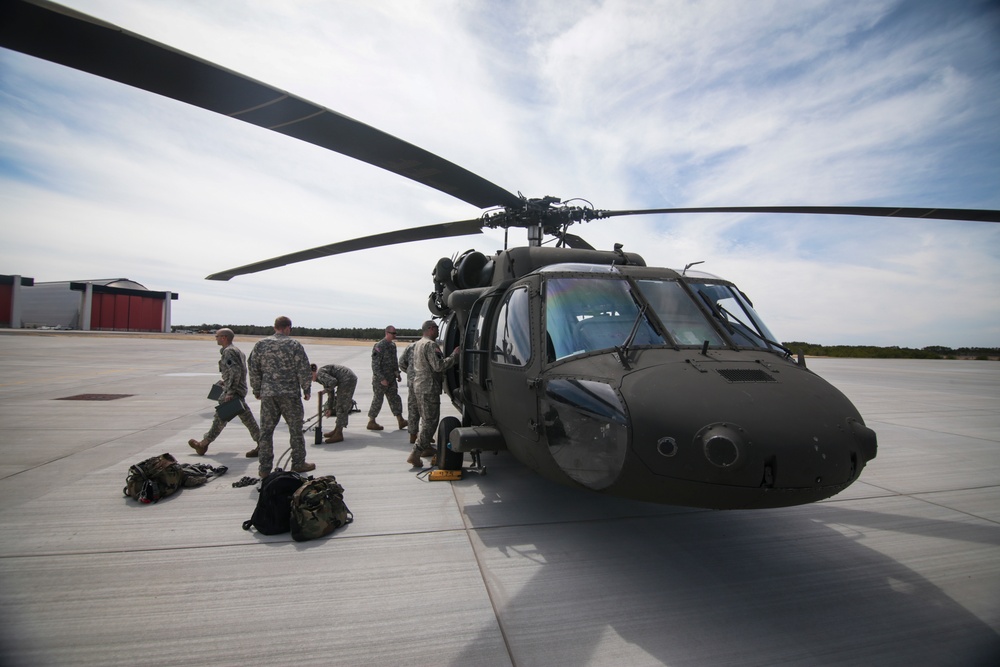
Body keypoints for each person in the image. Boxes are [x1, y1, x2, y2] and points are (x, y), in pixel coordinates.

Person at [248, 316, 315, 477]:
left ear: (275, 327)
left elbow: (253, 368)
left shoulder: (261, 344)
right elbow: (303, 368)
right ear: (287, 328)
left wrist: (257, 389)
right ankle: (298, 463)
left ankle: (264, 468)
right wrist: (306, 389)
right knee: (295, 429)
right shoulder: (293, 345)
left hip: (269, 394)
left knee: (266, 431)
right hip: (290, 394)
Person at [188, 328, 260, 457]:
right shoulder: (236, 351)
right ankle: (263, 445)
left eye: (217, 336)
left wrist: (230, 391)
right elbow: (235, 371)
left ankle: (203, 444)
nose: (216, 338)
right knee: (247, 420)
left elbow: (235, 371)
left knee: (220, 418)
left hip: (233, 392)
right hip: (236, 389)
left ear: (224, 338)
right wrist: (224, 382)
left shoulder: (229, 352)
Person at [407, 319, 459, 468]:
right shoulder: (430, 345)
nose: (437, 331)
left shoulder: (418, 344)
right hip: (428, 389)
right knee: (431, 422)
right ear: (430, 329)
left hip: (420, 387)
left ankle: (425, 447)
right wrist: (454, 356)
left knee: (425, 420)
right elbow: (438, 366)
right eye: (436, 328)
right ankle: (415, 453)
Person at [367, 325, 407, 432]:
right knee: (378, 399)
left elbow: (394, 362)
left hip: (391, 379)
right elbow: (375, 365)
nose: (395, 335)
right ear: (387, 333)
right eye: (393, 333)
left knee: (395, 398)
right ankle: (371, 421)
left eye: (395, 333)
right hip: (380, 380)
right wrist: (381, 379)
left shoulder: (393, 346)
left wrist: (397, 374)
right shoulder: (379, 346)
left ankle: (400, 420)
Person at [311, 362, 358, 443]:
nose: (310, 379)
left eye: (310, 375)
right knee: (339, 405)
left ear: (314, 373)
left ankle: (339, 434)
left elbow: (333, 382)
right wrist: (329, 408)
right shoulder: (320, 376)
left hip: (347, 380)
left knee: (341, 406)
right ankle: (336, 430)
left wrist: (325, 390)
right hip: (346, 379)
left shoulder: (320, 374)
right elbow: (331, 392)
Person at [397, 341, 420, 445]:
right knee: (427, 410)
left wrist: (410, 373)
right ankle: (425, 437)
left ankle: (413, 435)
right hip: (424, 382)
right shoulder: (429, 345)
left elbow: (401, 362)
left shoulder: (410, 346)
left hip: (412, 382)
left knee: (413, 408)